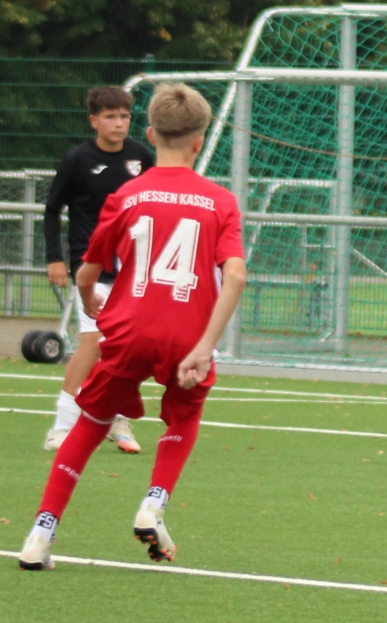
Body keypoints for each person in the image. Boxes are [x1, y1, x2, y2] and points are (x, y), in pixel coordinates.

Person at [19, 84, 247, 570]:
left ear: (150, 134)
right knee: (184, 418)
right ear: (199, 141)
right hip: (187, 334)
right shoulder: (221, 201)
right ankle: (153, 504)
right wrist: (205, 346)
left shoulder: (127, 194)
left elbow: (87, 272)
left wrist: (91, 302)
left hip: (127, 331)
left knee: (91, 424)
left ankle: (40, 534)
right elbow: (235, 276)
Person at [40, 86, 155, 454]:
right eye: (110, 117)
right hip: (90, 266)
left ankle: (115, 417)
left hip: (132, 267)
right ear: (94, 121)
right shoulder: (78, 159)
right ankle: (61, 426)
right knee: (93, 342)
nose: (119, 123)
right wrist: (55, 258)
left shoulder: (141, 156)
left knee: (124, 348)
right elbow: (52, 209)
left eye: (124, 116)